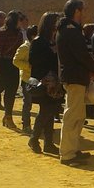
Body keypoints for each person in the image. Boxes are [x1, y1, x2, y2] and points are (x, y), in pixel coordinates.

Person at [57, 0, 94, 166]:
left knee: (78, 115)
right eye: (82, 10)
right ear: (76, 11)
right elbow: (81, 54)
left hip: (76, 77)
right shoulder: (71, 30)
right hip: (74, 77)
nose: (84, 13)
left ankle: (72, 149)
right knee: (72, 116)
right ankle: (67, 154)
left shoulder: (70, 29)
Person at [27, 12, 63, 155]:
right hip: (44, 83)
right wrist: (51, 53)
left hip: (54, 83)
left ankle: (48, 143)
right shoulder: (38, 41)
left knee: (50, 111)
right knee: (46, 111)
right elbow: (33, 62)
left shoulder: (52, 41)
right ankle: (34, 139)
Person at [0, 10, 24, 128]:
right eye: (20, 20)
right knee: (6, 88)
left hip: (14, 64)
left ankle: (7, 116)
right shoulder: (3, 32)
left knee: (12, 90)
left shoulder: (19, 34)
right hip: (4, 63)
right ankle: (8, 116)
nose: (21, 22)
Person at [13, 25, 38, 133]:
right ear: (33, 36)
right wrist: (28, 66)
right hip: (27, 79)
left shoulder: (37, 47)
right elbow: (15, 61)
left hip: (36, 78)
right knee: (27, 103)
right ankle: (26, 124)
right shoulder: (25, 47)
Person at [83, 23, 94, 120]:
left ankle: (91, 110)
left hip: (91, 67)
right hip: (86, 68)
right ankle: (89, 111)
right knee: (87, 91)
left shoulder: (90, 40)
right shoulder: (83, 41)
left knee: (90, 90)